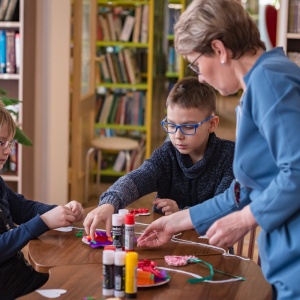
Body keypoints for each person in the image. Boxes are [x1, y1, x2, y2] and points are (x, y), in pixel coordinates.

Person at [137, 0, 300, 299]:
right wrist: (174, 222)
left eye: (197, 63)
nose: (199, 76)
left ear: (220, 50)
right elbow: (245, 190)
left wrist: (245, 219)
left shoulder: (269, 81)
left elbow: (297, 172)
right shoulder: (261, 83)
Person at [84, 76, 235, 239]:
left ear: (212, 124)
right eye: (171, 125)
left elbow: (223, 212)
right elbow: (137, 179)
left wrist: (181, 215)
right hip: (167, 244)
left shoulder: (229, 157)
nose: (177, 136)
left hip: (214, 248)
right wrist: (110, 202)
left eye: (188, 126)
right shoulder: (167, 153)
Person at [0, 102, 84, 300]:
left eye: (9, 143)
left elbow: (23, 207)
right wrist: (43, 222)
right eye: (0, 143)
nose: (7, 151)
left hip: (19, 275)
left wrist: (61, 211)